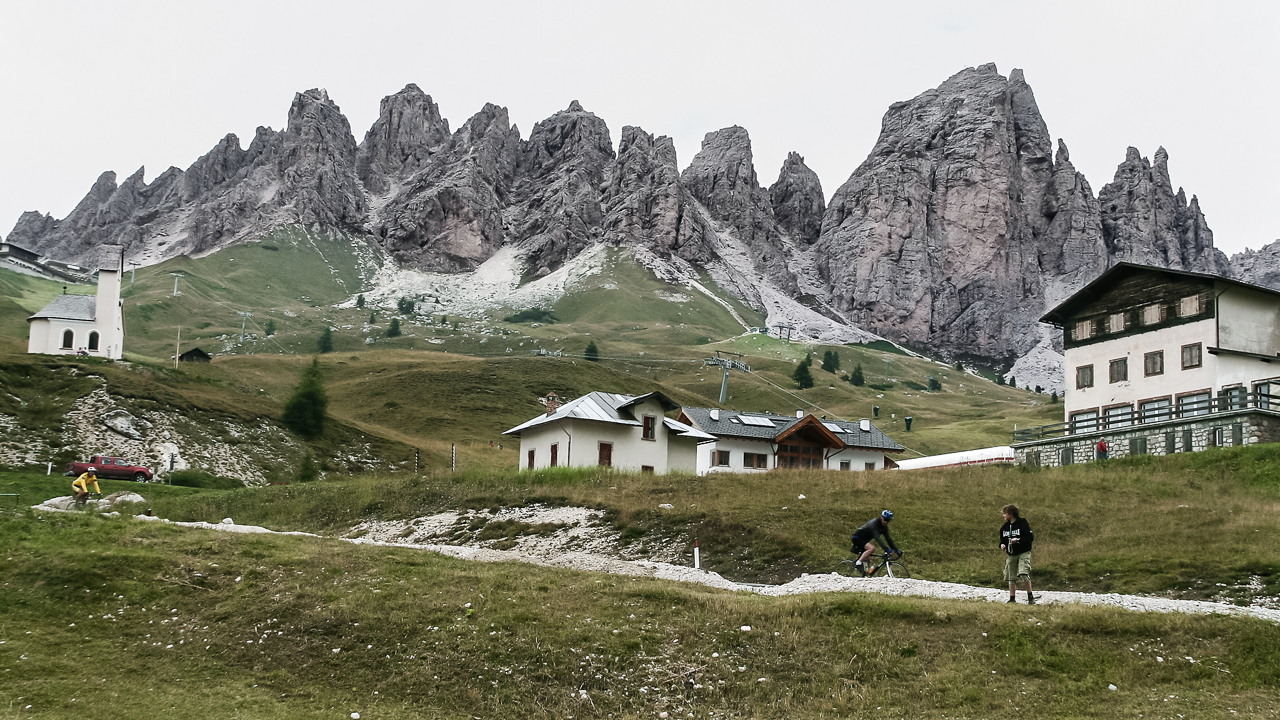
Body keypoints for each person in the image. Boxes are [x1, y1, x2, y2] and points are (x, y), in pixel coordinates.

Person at [1000, 504, 1035, 604]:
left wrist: (1018, 540)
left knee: (1023, 573)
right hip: (1011, 554)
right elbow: (1002, 540)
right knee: (1011, 576)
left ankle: (1030, 596)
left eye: (1005, 513)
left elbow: (1030, 537)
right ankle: (1012, 598)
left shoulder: (1023, 523)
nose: (1003, 516)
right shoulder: (1005, 528)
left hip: (1023, 552)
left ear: (1011, 514)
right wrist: (1002, 545)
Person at [850, 510, 899, 576]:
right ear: (881, 517)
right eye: (885, 519)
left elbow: (888, 539)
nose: (885, 522)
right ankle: (858, 562)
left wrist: (896, 550)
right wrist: (886, 549)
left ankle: (866, 575)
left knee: (868, 562)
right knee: (872, 548)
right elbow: (877, 538)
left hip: (864, 539)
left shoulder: (884, 527)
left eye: (888, 521)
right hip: (857, 538)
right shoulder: (874, 523)